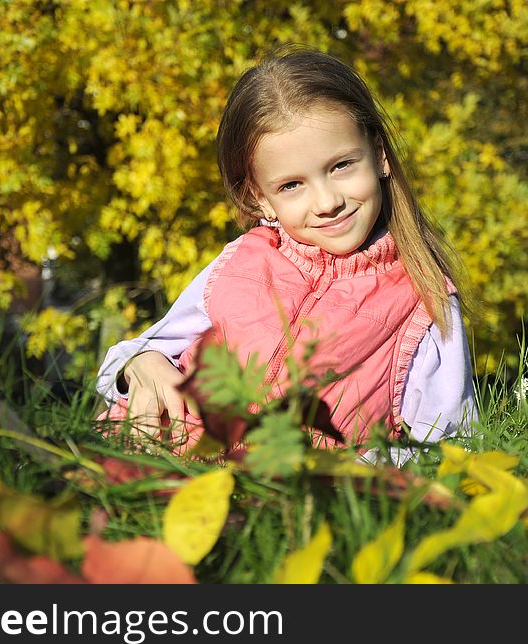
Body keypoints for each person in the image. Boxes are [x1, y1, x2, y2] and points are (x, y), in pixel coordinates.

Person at [96, 47, 476, 466]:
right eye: (292, 185)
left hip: (277, 507)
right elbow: (126, 362)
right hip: (143, 467)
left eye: (342, 166)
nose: (327, 201)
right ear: (262, 199)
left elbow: (447, 448)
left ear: (380, 154)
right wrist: (142, 362)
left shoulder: (421, 300)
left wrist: (344, 474)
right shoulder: (241, 262)